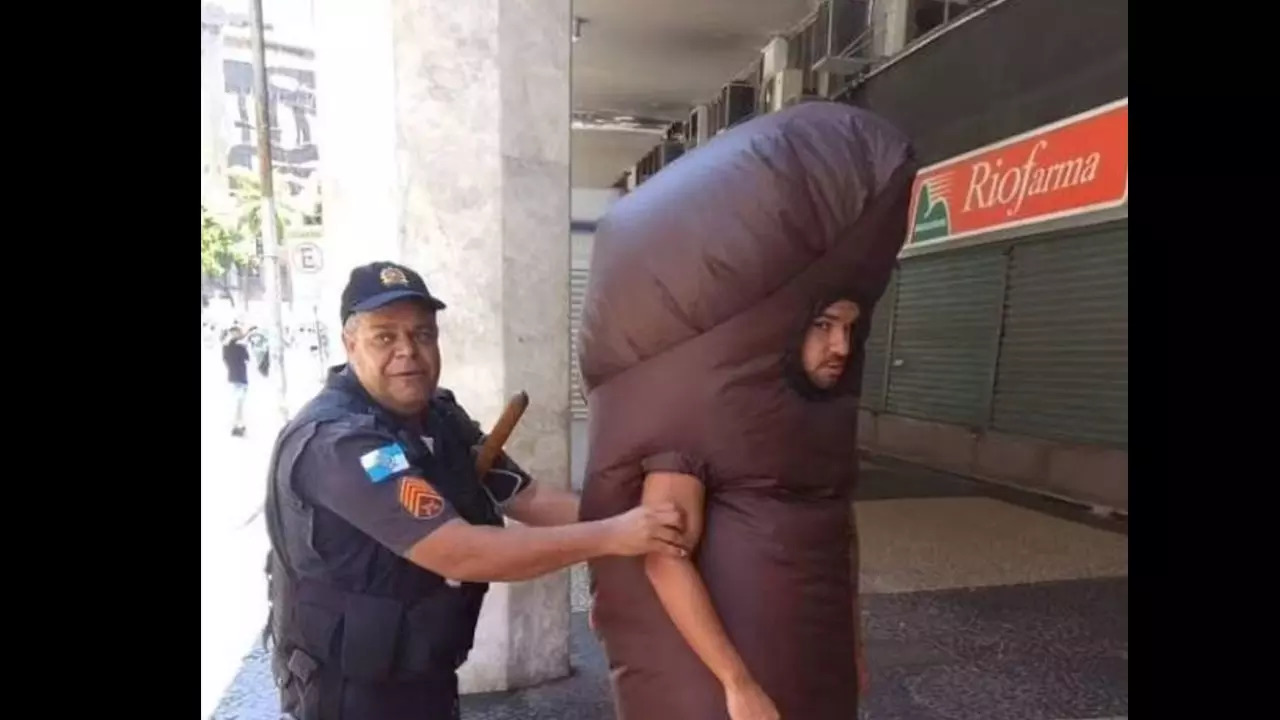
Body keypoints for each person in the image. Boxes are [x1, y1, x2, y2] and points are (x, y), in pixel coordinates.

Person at [577, 101, 915, 720]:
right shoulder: (701, 421)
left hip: (813, 664)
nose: (841, 345)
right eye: (822, 325)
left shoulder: (807, 423)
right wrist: (737, 683)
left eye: (850, 328)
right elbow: (662, 556)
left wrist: (851, 646)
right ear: (782, 328)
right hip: (732, 685)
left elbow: (837, 533)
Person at [262, 261, 689, 720]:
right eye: (385, 336)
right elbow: (462, 552)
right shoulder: (340, 443)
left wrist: (642, 514)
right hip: (351, 693)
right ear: (350, 345)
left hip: (424, 669)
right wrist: (613, 536)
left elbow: (526, 497)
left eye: (423, 335)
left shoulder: (439, 416)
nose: (408, 351)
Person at [222, 325, 251, 437]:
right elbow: (247, 359)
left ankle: (238, 424)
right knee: (239, 403)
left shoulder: (226, 347)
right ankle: (238, 425)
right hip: (241, 378)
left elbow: (225, 359)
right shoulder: (241, 346)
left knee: (237, 403)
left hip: (233, 377)